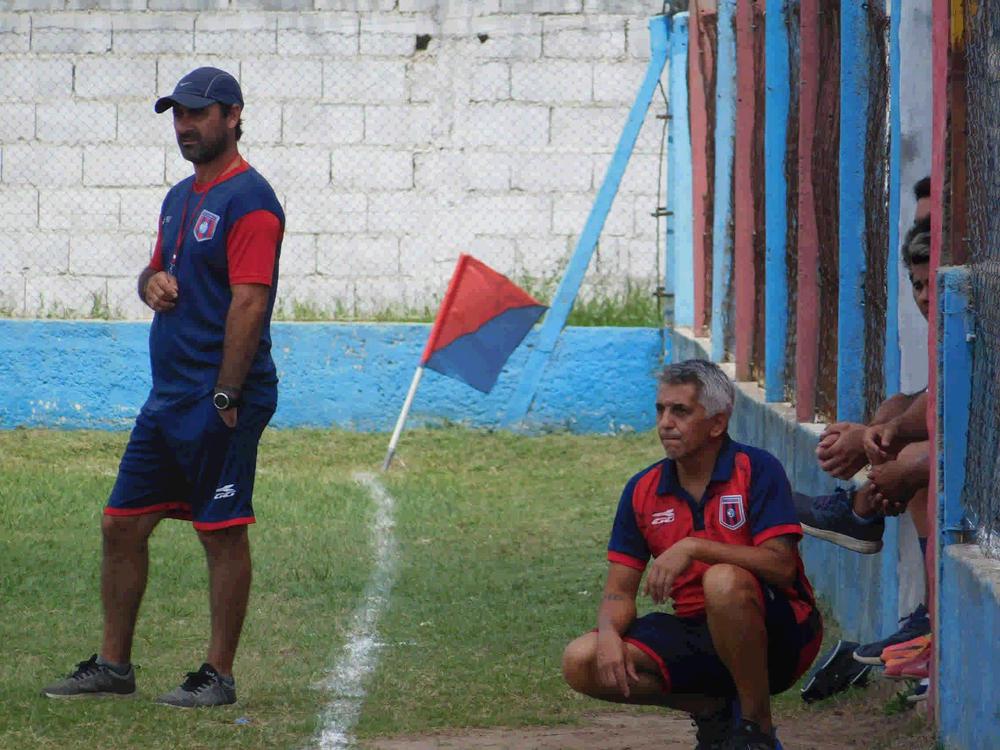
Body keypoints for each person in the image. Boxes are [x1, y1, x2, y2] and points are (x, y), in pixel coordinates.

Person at [42, 67, 285, 708]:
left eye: (199, 114)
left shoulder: (252, 201)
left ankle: (218, 676)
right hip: (168, 396)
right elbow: (157, 269)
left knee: (221, 531)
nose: (185, 126)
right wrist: (148, 282)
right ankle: (114, 668)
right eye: (178, 115)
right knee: (121, 524)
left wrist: (228, 394)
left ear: (233, 116)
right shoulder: (180, 198)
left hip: (221, 396)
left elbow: (249, 304)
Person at [562, 360, 822, 750]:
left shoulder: (756, 469)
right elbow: (618, 592)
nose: (666, 422)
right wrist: (610, 634)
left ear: (717, 423)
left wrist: (695, 547)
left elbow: (782, 568)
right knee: (581, 659)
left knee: (722, 580)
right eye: (661, 410)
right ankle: (712, 709)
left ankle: (756, 730)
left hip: (779, 635)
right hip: (697, 632)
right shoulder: (642, 489)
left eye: (680, 411)